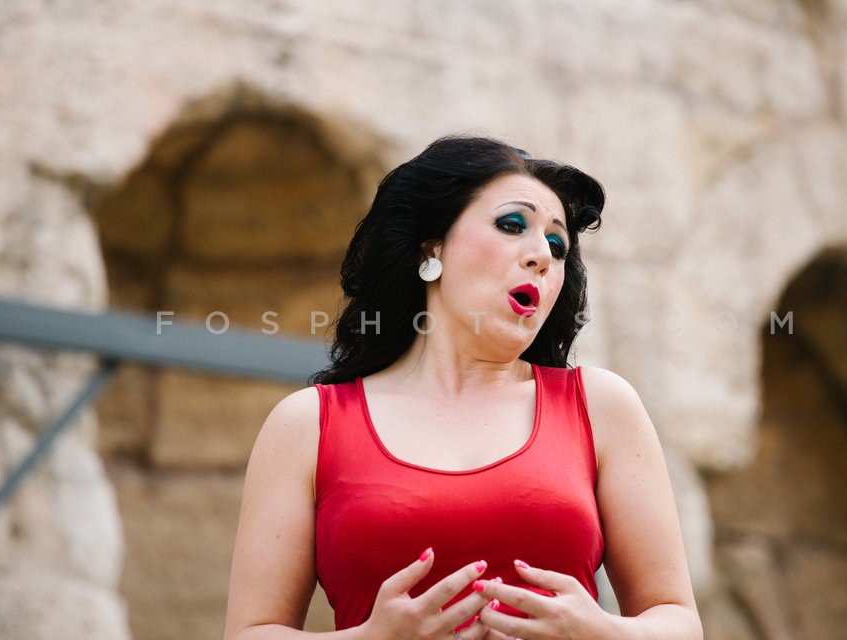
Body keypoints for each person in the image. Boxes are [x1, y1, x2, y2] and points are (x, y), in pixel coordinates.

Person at [223, 136, 702, 640]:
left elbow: (678, 622)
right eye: (511, 225)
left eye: (557, 245)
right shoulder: (309, 424)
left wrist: (600, 632)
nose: (542, 255)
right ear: (431, 246)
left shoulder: (601, 407)